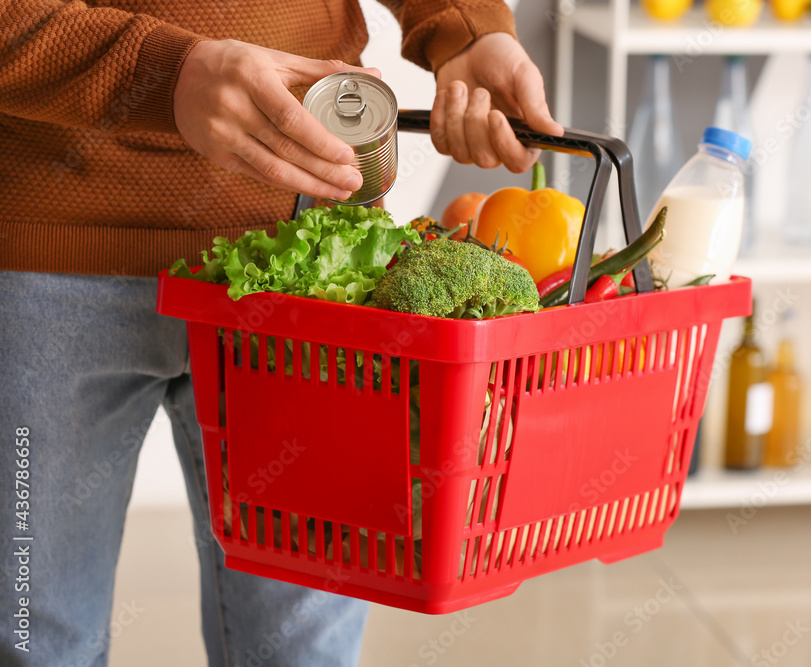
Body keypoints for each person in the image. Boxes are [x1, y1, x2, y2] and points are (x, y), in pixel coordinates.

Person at [0, 0, 561, 664]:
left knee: (304, 647)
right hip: (50, 254)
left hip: (306, 265)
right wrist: (161, 71)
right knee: (40, 634)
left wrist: (461, 29)